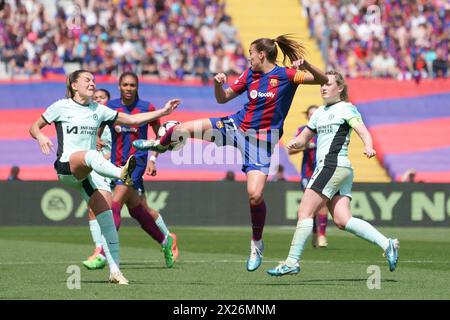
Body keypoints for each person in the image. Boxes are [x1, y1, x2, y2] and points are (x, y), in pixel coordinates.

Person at [133, 35, 328, 272]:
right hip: (235, 126)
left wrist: (305, 65)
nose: (249, 57)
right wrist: (218, 84)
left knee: (255, 195)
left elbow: (322, 79)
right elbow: (223, 98)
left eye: (251, 53)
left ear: (261, 55)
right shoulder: (249, 75)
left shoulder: (286, 75)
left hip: (262, 142)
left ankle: (256, 244)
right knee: (183, 128)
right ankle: (159, 145)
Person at [29, 70, 180, 284]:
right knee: (90, 155)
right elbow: (33, 126)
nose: (92, 83)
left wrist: (163, 111)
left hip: (87, 175)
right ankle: (121, 172)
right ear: (74, 85)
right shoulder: (60, 106)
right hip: (67, 167)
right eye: (87, 80)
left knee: (107, 218)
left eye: (93, 80)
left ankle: (115, 272)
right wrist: (40, 136)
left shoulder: (98, 110)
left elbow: (133, 119)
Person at [267, 71, 399, 277]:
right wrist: (296, 143)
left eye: (328, 84)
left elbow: (362, 130)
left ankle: (292, 261)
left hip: (332, 165)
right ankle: (388, 243)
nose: (323, 87)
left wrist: (369, 146)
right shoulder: (319, 112)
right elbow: (304, 138)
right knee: (342, 220)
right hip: (339, 168)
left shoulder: (346, 108)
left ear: (340, 88)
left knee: (304, 211)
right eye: (321, 84)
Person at [83, 74, 179, 271]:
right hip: (114, 165)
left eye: (132, 85)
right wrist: (96, 141)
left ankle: (101, 254)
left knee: (115, 205)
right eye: (125, 84)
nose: (128, 88)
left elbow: (160, 137)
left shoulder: (147, 107)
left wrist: (153, 159)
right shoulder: (111, 107)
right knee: (137, 210)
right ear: (119, 86)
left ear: (137, 87)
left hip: (136, 163)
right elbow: (98, 130)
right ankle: (164, 241)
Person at [289, 105, 329, 247]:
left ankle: (322, 236)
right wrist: (305, 146)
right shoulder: (302, 130)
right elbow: (290, 151)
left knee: (322, 203)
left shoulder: (325, 129)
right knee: (310, 206)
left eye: (315, 113)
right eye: (310, 114)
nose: (312, 116)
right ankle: (314, 233)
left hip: (323, 171)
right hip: (307, 173)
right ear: (307, 116)